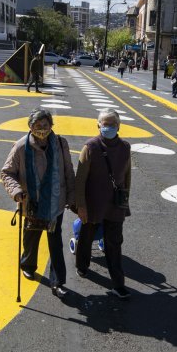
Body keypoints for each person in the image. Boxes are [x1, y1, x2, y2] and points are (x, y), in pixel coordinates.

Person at [1, 108, 76, 298]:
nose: (42, 129)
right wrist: (16, 191)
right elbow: (7, 172)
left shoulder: (60, 143)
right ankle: (27, 264)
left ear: (52, 126)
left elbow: (68, 170)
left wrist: (72, 196)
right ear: (30, 127)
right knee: (31, 239)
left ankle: (57, 281)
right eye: (38, 126)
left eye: (46, 125)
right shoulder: (20, 146)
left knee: (55, 243)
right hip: (31, 203)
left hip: (54, 203)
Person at [75, 109, 132, 299]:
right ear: (98, 124)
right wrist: (80, 206)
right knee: (86, 237)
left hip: (115, 205)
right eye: (105, 124)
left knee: (114, 243)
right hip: (93, 204)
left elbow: (127, 177)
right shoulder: (90, 147)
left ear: (119, 126)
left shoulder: (125, 147)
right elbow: (80, 179)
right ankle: (82, 266)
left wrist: (125, 201)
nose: (108, 127)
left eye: (112, 124)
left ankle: (118, 283)